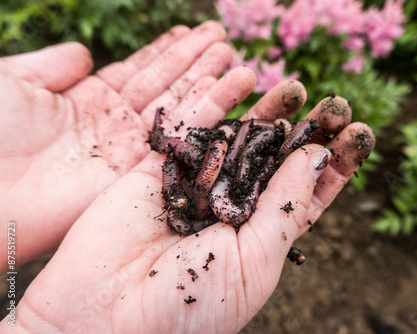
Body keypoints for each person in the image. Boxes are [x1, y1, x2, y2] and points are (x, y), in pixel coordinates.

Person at [0, 21, 374, 333]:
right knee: (213, 158)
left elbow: (217, 172)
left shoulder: (223, 180)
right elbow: (187, 160)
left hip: (216, 191)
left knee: (236, 158)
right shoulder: (195, 182)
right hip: (205, 196)